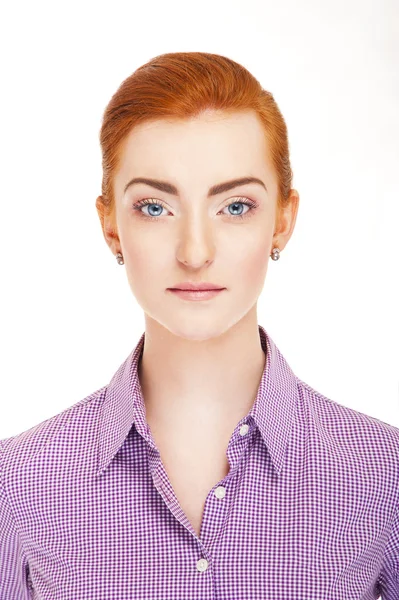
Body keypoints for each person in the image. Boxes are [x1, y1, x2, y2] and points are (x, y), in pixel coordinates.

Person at [0, 51, 398, 600]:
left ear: (283, 220)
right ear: (111, 226)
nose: (194, 252)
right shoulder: (19, 481)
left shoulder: (383, 474)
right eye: (154, 207)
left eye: (235, 207)